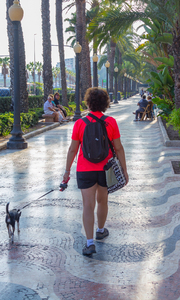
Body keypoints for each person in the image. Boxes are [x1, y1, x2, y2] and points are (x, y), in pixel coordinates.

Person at [63, 87, 128, 256]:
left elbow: (72, 150)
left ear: (88, 103)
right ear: (106, 103)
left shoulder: (80, 123)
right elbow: (119, 148)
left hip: (85, 169)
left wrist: (67, 171)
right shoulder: (110, 122)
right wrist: (124, 170)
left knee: (87, 205)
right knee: (102, 201)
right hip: (105, 169)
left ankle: (90, 242)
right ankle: (100, 230)